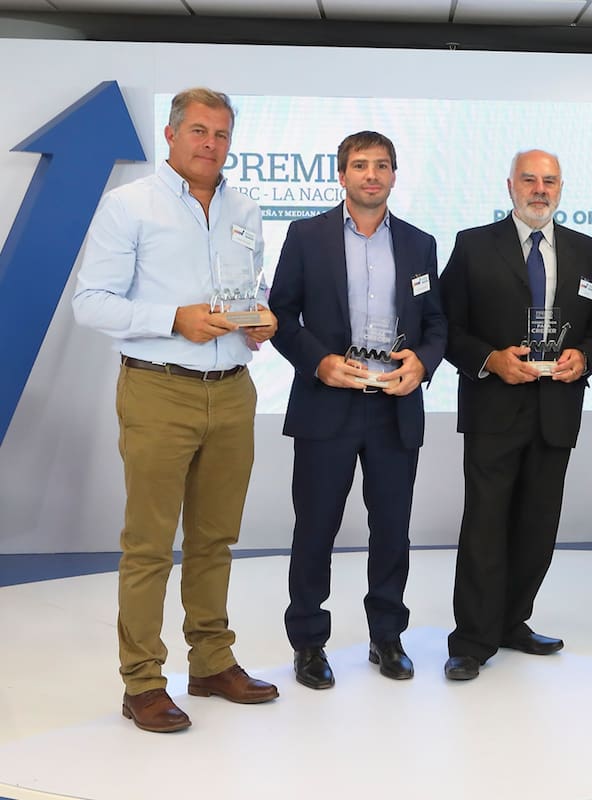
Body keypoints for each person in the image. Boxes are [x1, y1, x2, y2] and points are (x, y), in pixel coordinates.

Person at [72, 87, 279, 733]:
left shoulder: (246, 207)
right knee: (149, 546)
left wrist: (257, 320)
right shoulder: (128, 205)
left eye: (220, 134)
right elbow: (91, 302)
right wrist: (172, 319)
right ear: (170, 135)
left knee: (216, 539)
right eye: (197, 131)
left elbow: (245, 290)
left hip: (233, 388)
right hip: (159, 388)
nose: (209, 143)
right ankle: (142, 683)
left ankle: (212, 663)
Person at [269, 131, 447, 689]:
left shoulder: (419, 244)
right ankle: (308, 643)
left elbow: (437, 323)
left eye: (383, 165)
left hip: (394, 407)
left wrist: (423, 362)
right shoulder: (306, 235)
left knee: (392, 529)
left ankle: (387, 636)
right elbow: (281, 313)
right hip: (327, 404)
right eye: (360, 165)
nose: (372, 174)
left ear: (395, 175)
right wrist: (318, 362)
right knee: (315, 528)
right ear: (341, 175)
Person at [440, 149, 592, 681]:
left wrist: (586, 358)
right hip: (494, 406)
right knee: (485, 526)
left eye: (550, 181)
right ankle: (471, 640)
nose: (540, 189)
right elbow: (445, 326)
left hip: (556, 410)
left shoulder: (587, 252)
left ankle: (513, 621)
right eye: (530, 180)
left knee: (538, 527)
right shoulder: (472, 245)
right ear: (510, 186)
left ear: (562, 188)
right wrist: (489, 360)